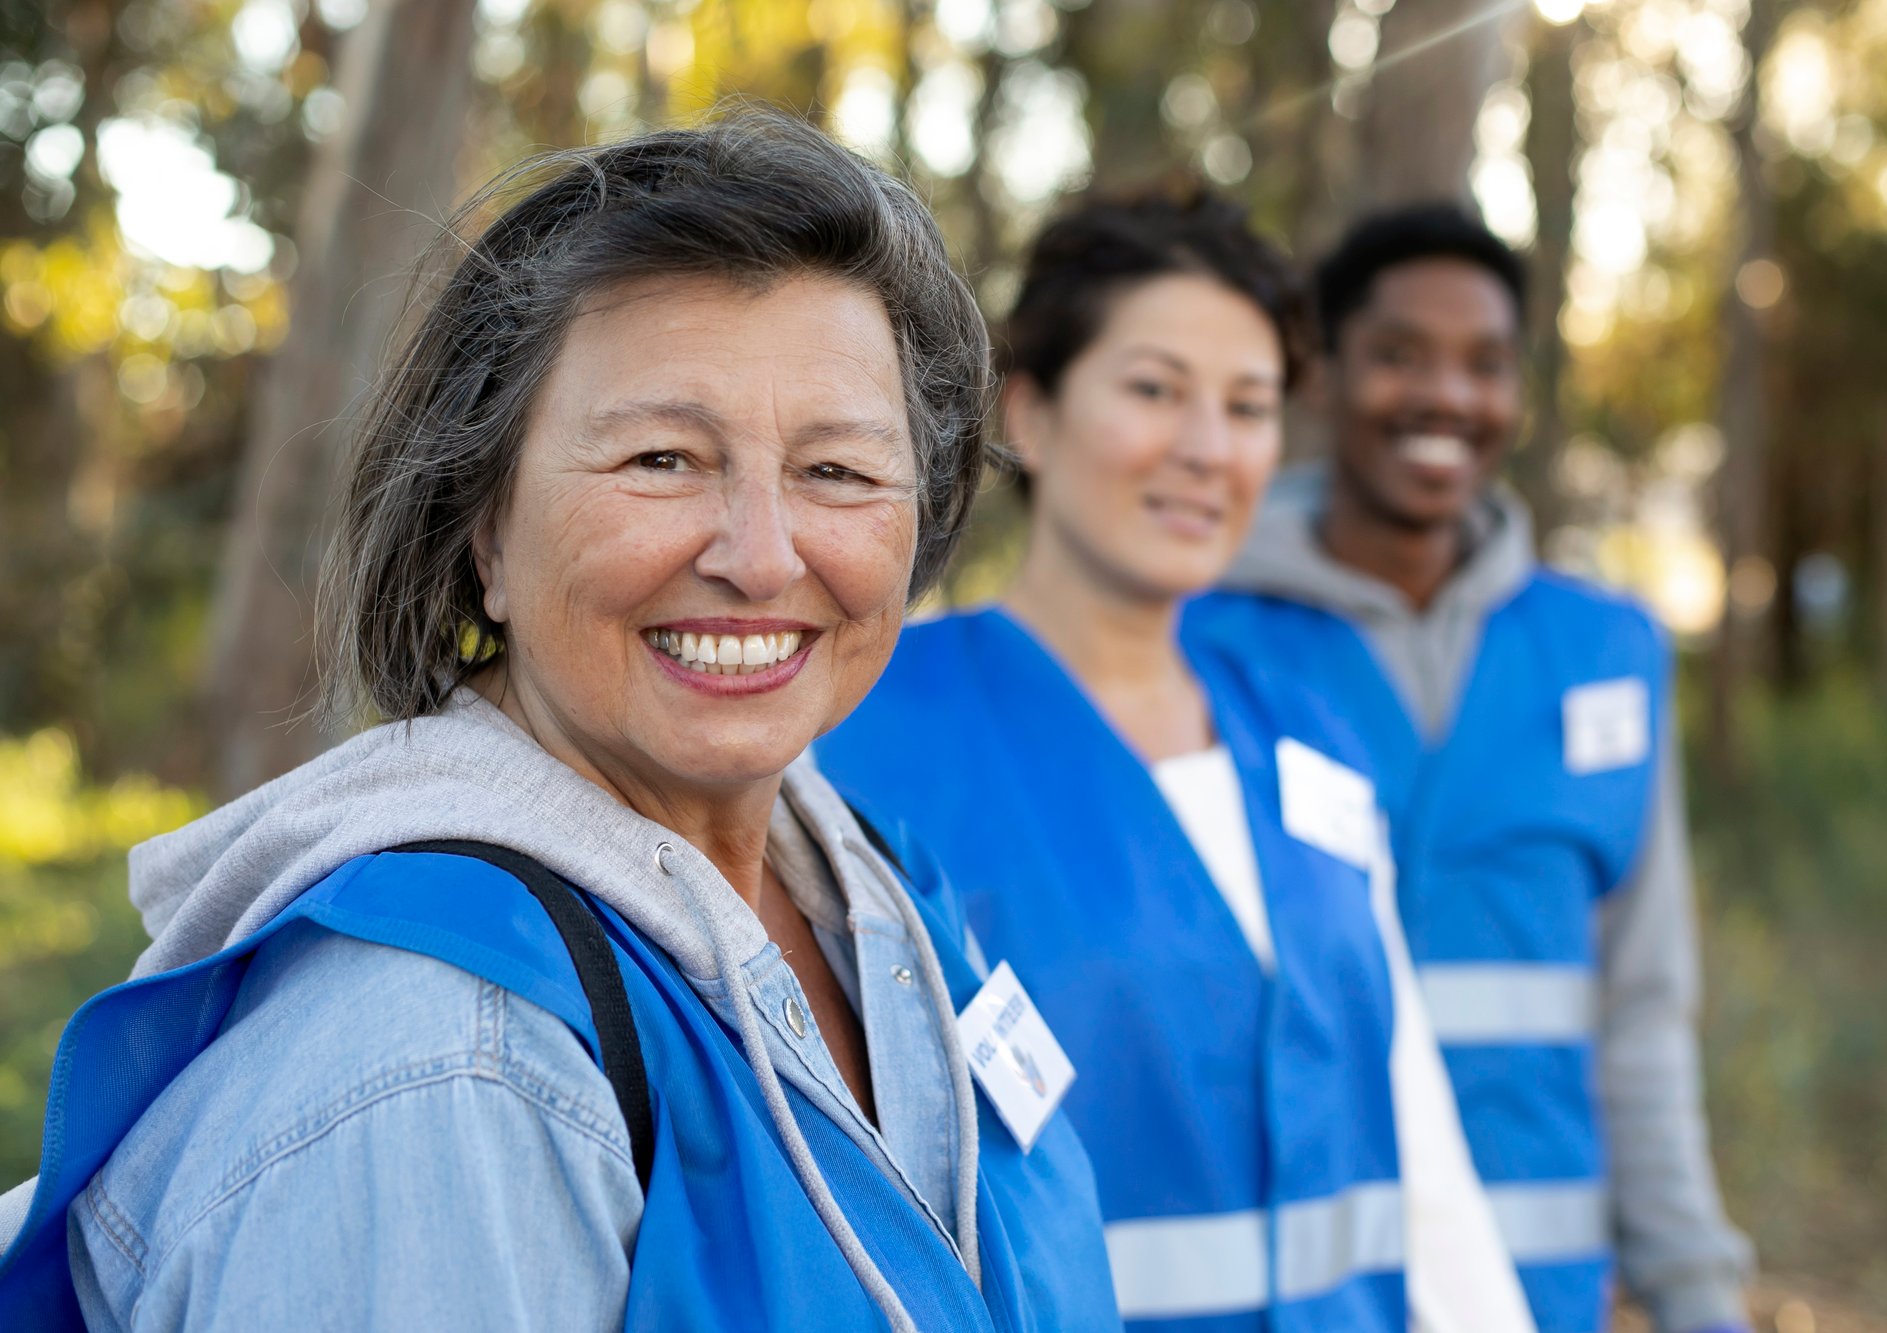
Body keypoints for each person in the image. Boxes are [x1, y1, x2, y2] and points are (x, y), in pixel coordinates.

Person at [0, 114, 1121, 1332]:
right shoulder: (442, 1065)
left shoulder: (876, 894)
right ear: (481, 528)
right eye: (660, 459)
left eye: (837, 472)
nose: (759, 556)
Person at [815, 186, 1531, 1333]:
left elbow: (1416, 1147)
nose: (1207, 448)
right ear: (1033, 417)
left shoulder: (1311, 746)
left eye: (1247, 406)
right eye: (1153, 390)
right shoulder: (862, 738)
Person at [1182, 204, 1755, 1333]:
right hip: (1292, 1296)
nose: (1446, 396)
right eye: (1399, 355)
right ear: (1321, 374)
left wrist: (1694, 1292)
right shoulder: (1195, 638)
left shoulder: (1608, 654)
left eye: (1485, 364)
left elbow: (1640, 1007)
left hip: (1537, 1295)